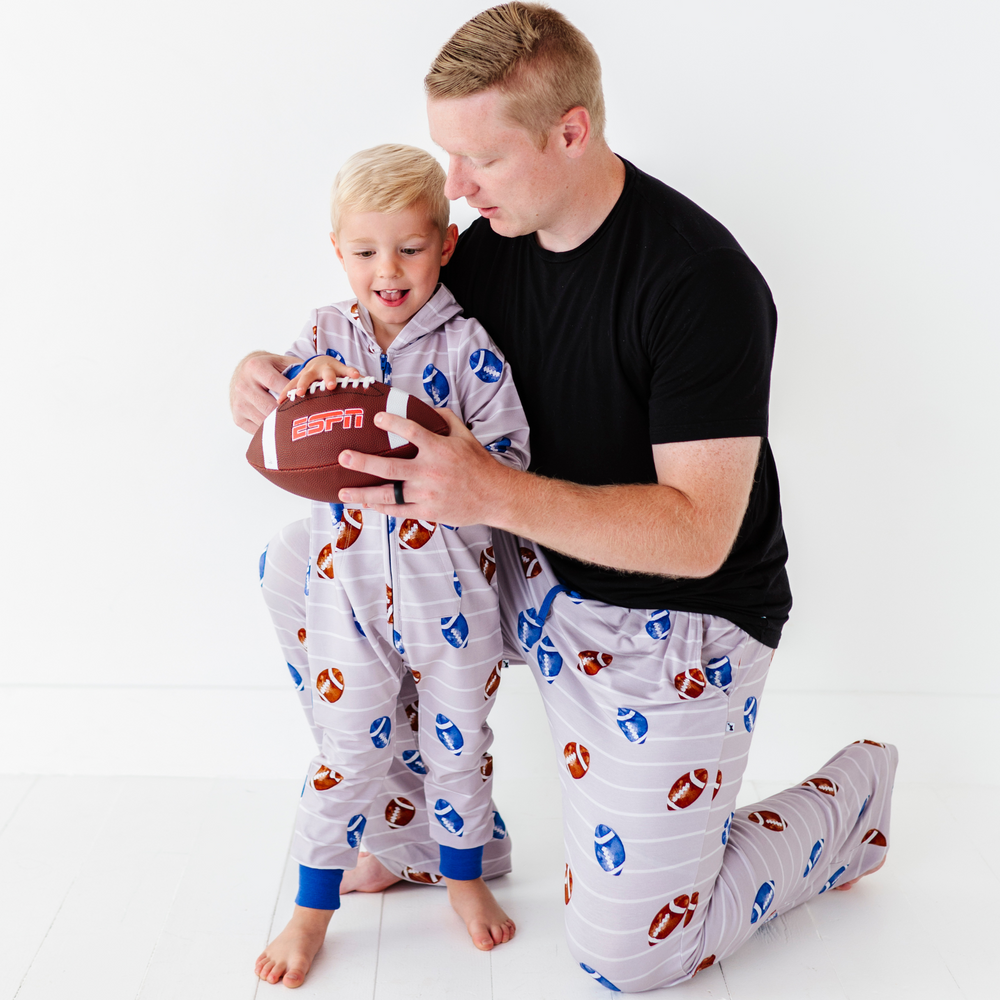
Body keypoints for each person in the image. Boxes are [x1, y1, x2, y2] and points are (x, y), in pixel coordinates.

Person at [233, 4, 897, 992]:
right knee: (302, 561)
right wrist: (267, 372)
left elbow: (701, 533)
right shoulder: (490, 244)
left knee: (628, 955)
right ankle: (423, 836)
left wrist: (489, 489)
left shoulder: (698, 282)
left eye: (481, 162)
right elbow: (375, 346)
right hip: (517, 570)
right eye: (445, 157)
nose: (453, 191)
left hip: (670, 614)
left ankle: (846, 807)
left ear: (571, 132)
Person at [253, 144, 528, 988]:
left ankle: (464, 878)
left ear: (445, 245)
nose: (389, 270)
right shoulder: (321, 338)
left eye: (409, 248)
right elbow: (275, 430)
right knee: (347, 754)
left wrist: (455, 444)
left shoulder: (471, 347)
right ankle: (311, 907)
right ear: (339, 249)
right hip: (348, 601)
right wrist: (307, 382)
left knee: (459, 750)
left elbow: (511, 463)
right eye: (367, 251)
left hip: (456, 602)